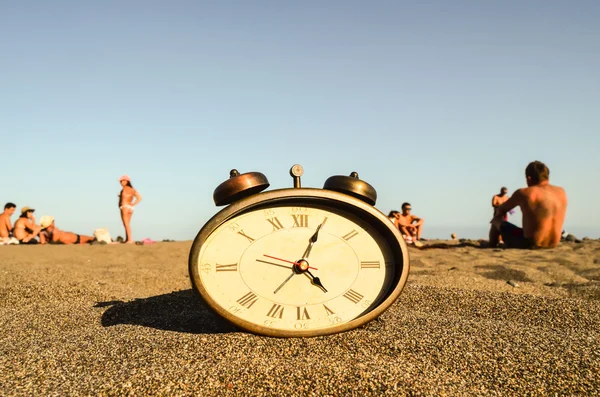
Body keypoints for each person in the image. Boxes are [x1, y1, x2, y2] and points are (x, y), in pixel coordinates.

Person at [490, 161, 567, 249]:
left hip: (530, 243)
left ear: (529, 178)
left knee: (496, 220)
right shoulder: (561, 192)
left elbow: (501, 209)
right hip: (553, 243)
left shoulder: (525, 193)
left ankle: (490, 244)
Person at [118, 175, 142, 243]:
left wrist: (120, 199)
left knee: (126, 224)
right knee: (127, 224)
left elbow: (120, 201)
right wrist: (133, 204)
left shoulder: (124, 189)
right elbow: (139, 198)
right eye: (120, 181)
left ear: (126, 181)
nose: (121, 182)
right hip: (130, 207)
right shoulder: (132, 189)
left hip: (124, 207)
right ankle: (127, 239)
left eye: (122, 181)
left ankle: (130, 239)